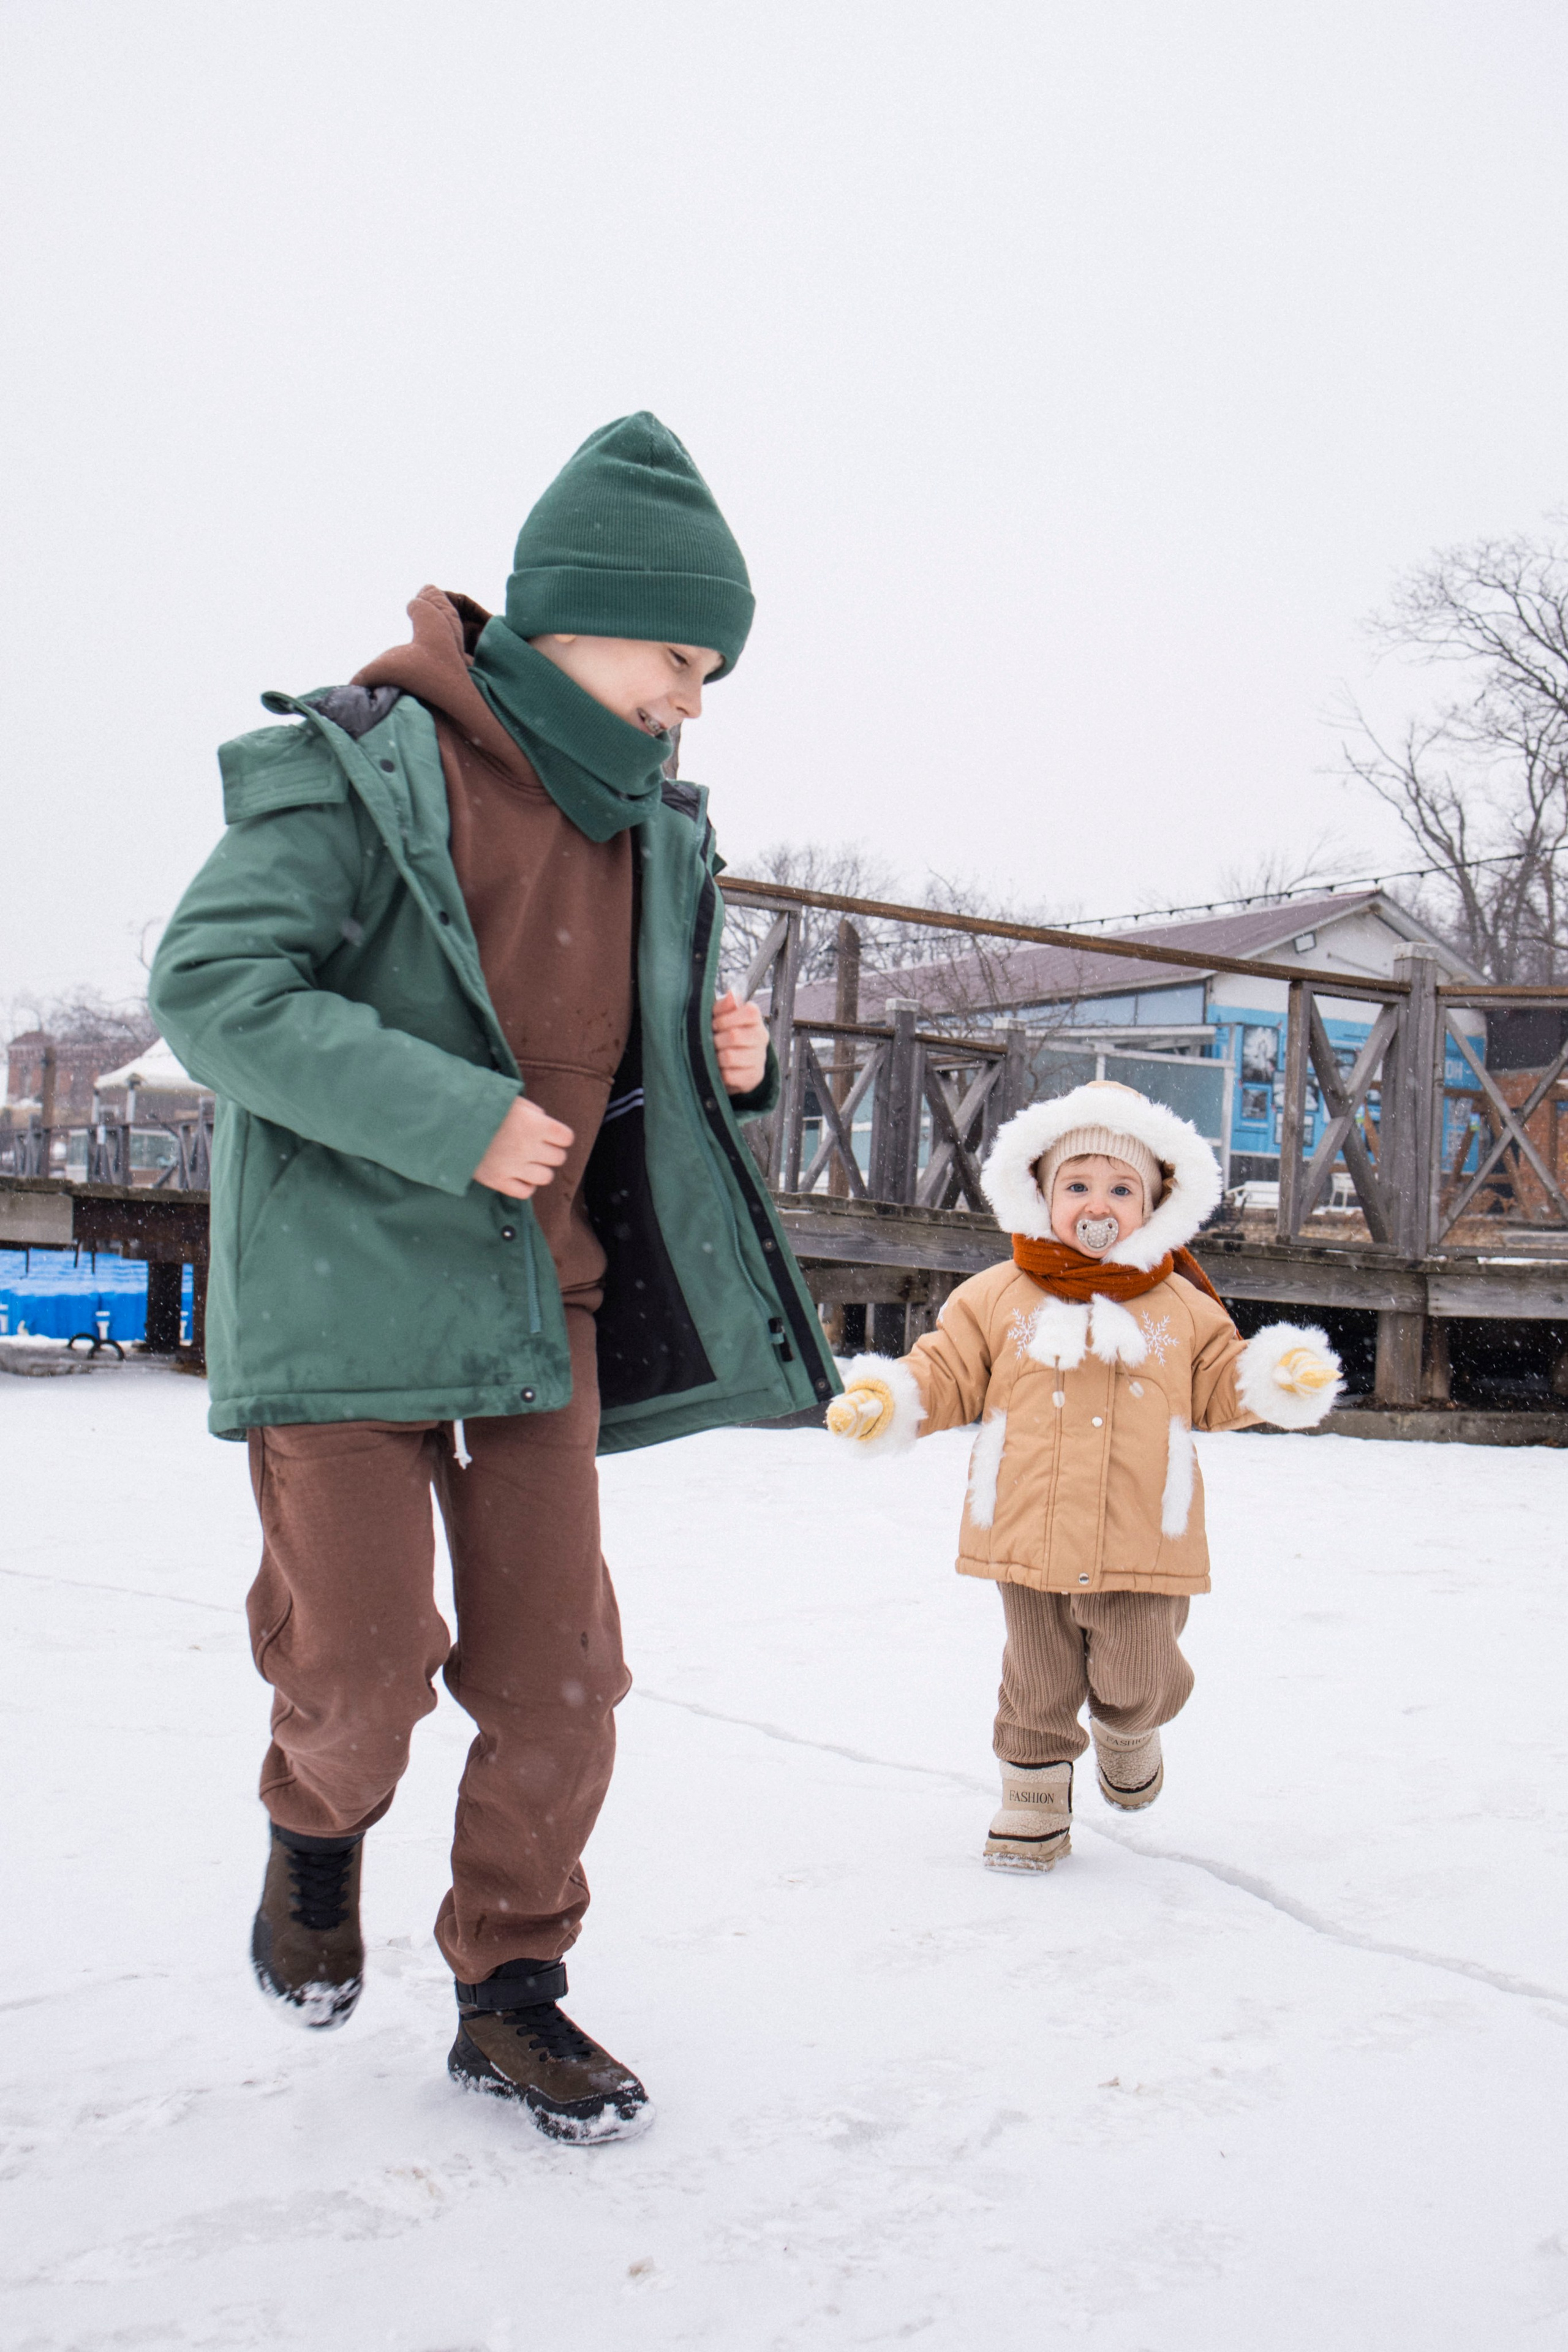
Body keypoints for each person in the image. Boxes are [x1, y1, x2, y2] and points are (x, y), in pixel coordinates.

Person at [150, 413, 837, 2145]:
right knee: (369, 1668)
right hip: (348, 1286)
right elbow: (217, 988)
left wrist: (727, 1059)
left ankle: (510, 1988)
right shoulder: (358, 762)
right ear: (578, 622)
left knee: (559, 1681)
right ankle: (316, 1835)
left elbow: (611, 1057)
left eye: (715, 674)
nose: (696, 698)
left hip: (549, 1294)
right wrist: (455, 1120)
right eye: (682, 657)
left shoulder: (649, 827)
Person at [825, 1080, 1340, 1869]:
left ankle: (1131, 1725)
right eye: (1078, 1185)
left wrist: (1278, 1378)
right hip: (1026, 1530)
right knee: (1035, 1672)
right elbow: (945, 1370)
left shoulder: (1180, 1307)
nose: (1097, 1203)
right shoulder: (996, 1296)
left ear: (1155, 1203)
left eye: (1121, 1188)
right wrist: (885, 1400)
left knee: (1134, 1664)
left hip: (1144, 1534)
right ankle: (1032, 1798)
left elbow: (1219, 1380)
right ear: (1041, 1192)